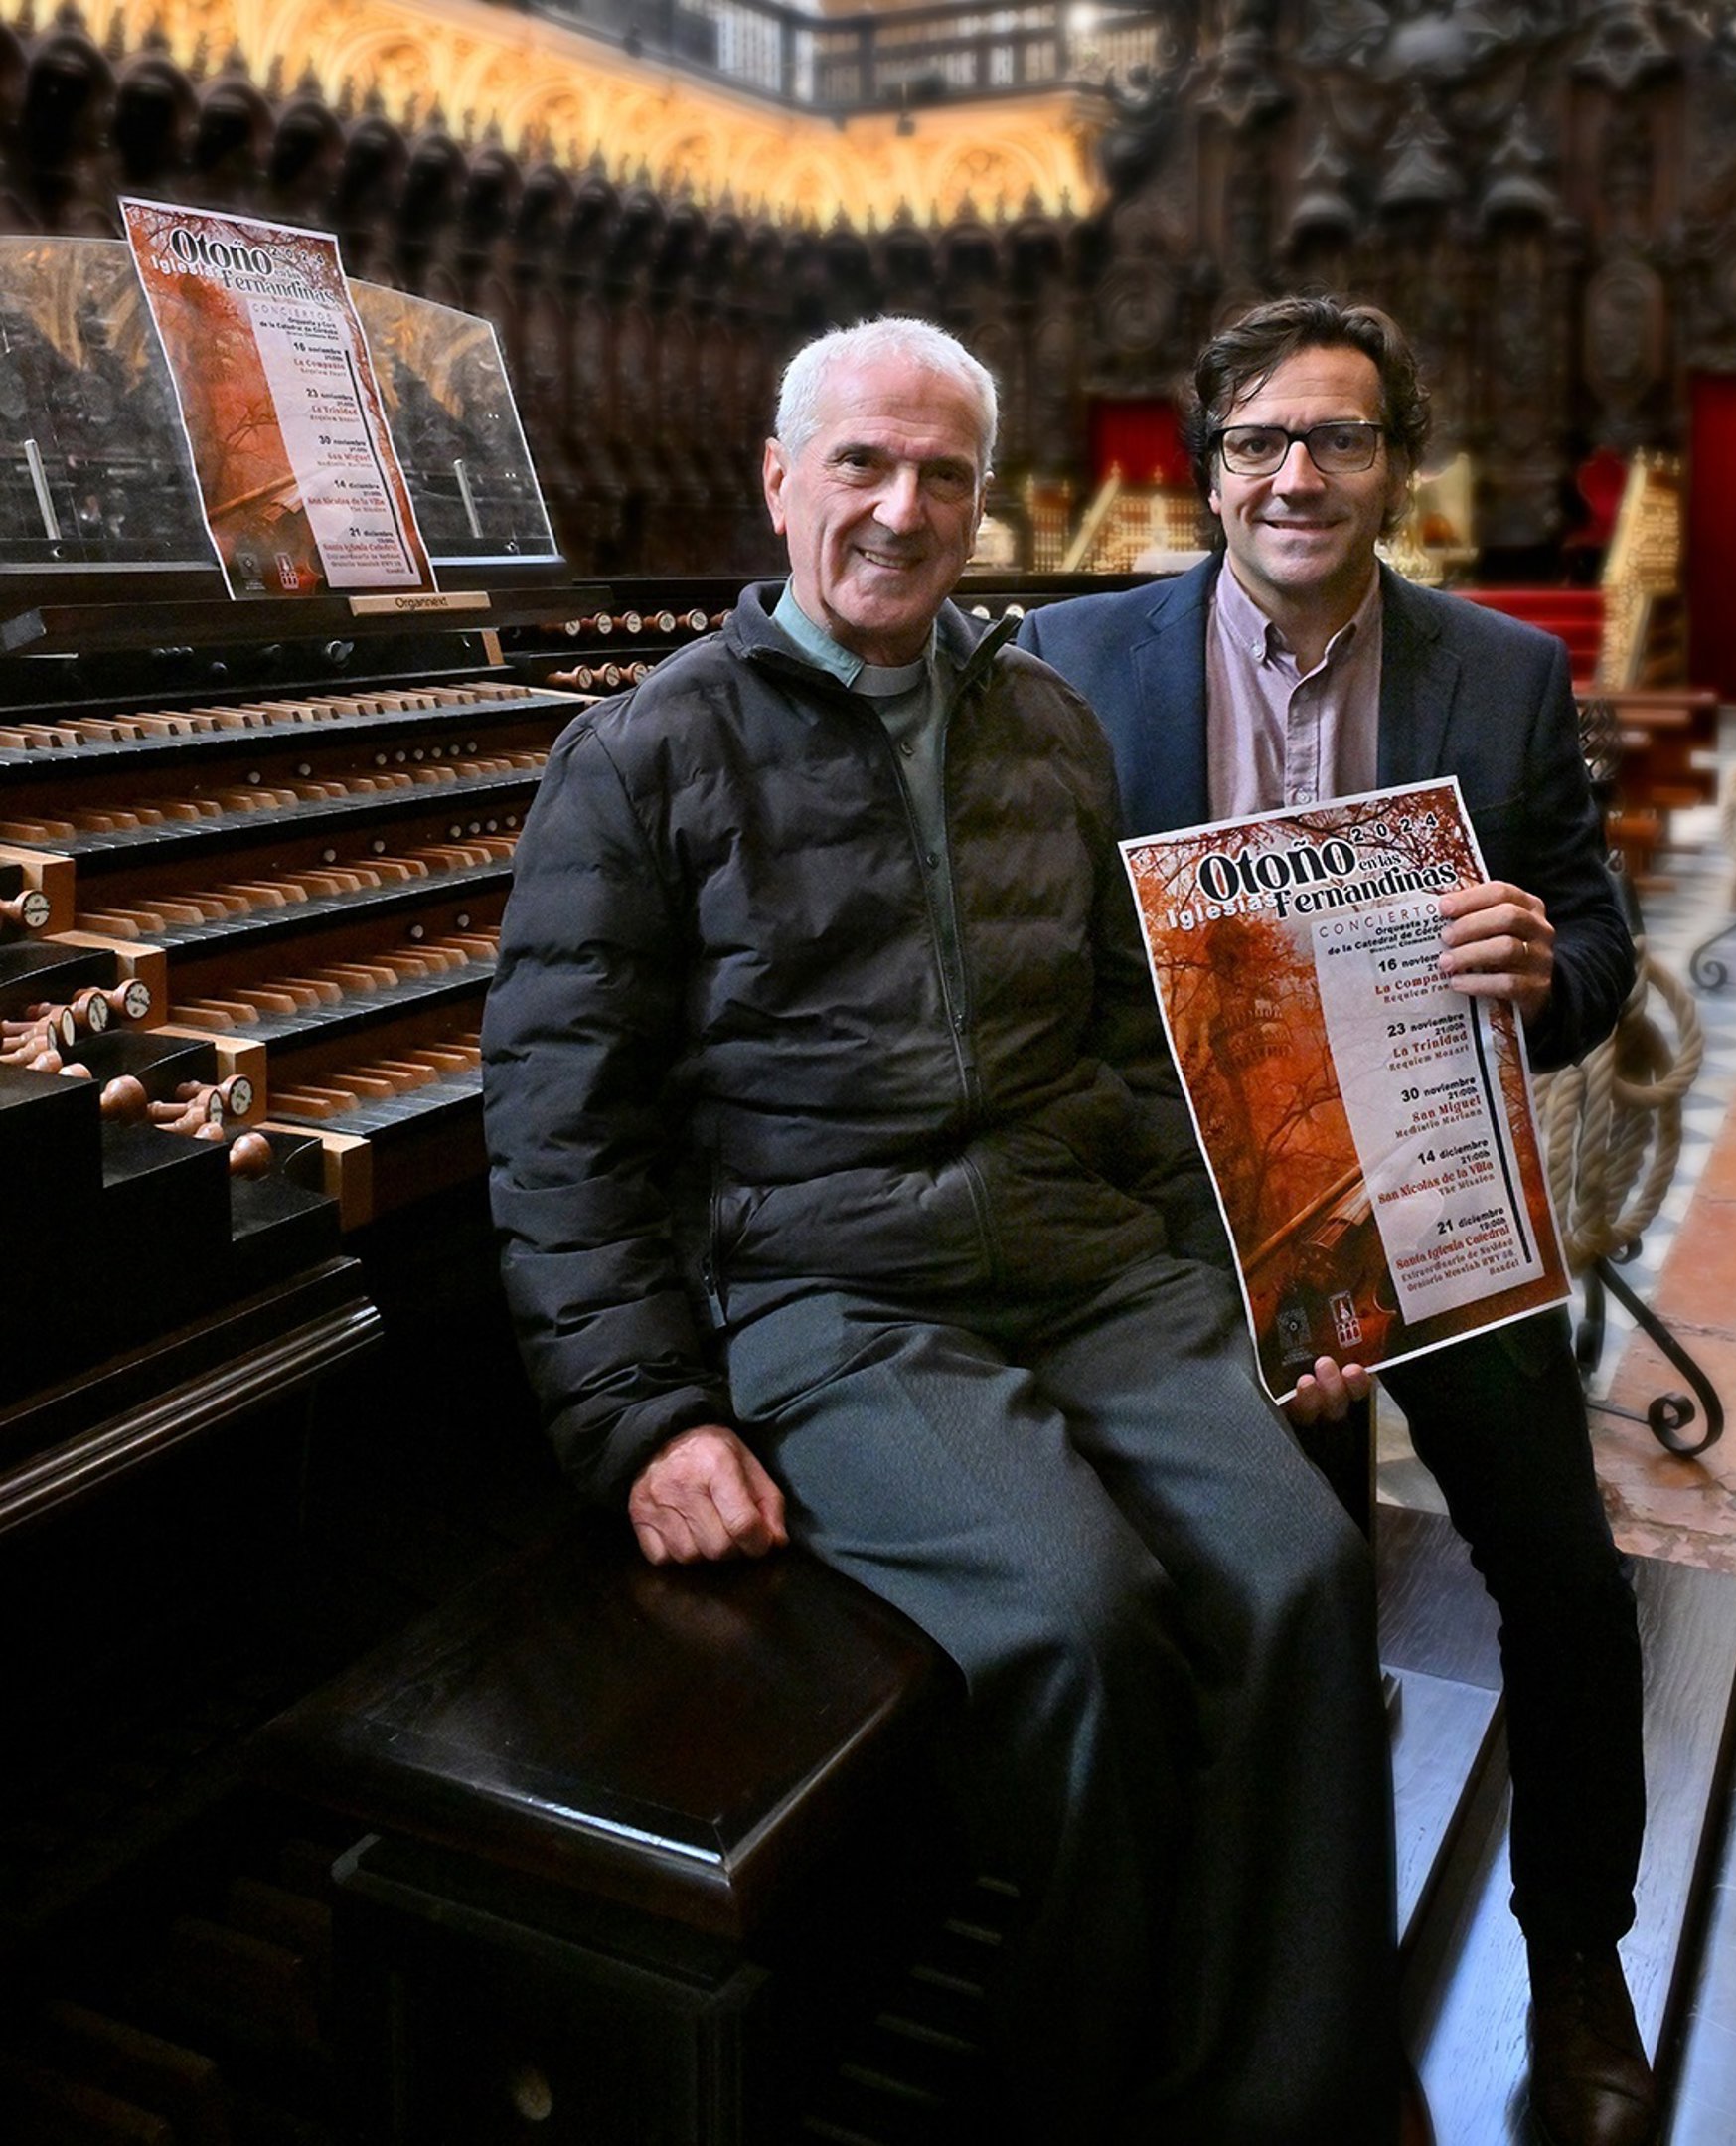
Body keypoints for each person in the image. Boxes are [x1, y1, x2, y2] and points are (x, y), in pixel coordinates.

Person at [483, 316, 1407, 2144]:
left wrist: (1267, 1277)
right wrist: (648, 1419)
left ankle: (1284, 2096)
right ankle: (1077, 2091)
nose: (901, 511)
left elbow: (1131, 1051)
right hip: (834, 1295)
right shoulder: (646, 752)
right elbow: (556, 1124)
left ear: (982, 506)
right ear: (781, 482)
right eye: (862, 465)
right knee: (1079, 1619)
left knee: (1302, 1571)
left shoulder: (1045, 725)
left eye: (942, 476)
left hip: (1081, 1260)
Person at [1021, 294, 1656, 2146]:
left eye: (1341, 439)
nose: (1297, 475)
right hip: (1199, 1220)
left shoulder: (1499, 673)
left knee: (1567, 1582)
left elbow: (1597, 936)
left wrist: (1543, 967)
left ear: (1400, 467)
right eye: (1260, 442)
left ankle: (1577, 1958)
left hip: (1437, 1199)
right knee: (1293, 1602)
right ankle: (1300, 2011)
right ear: (1209, 467)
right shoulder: (1074, 660)